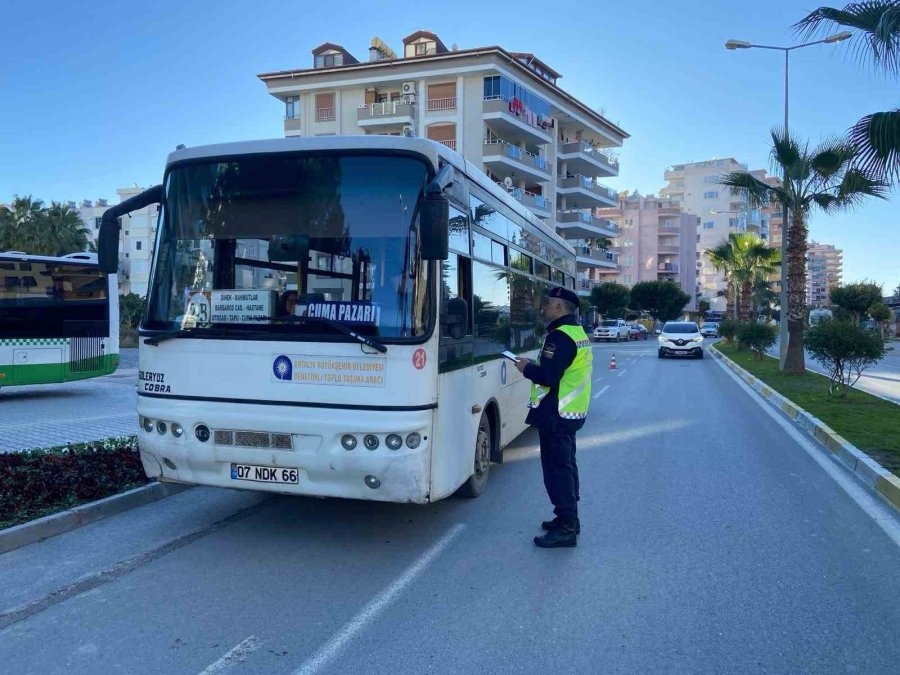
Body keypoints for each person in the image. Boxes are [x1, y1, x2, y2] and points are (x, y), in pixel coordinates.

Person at [515, 286, 593, 548]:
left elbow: (548, 377)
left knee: (557, 469)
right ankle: (568, 518)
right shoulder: (577, 332)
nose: (544, 308)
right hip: (569, 413)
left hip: (556, 414)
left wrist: (526, 368)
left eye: (548, 304)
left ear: (559, 307)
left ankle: (567, 528)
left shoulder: (559, 337)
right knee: (567, 465)